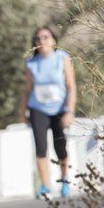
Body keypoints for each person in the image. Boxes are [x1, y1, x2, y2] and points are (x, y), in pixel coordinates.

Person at [20, 26, 76, 198]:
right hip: (38, 108)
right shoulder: (31, 62)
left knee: (60, 146)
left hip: (59, 108)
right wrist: (22, 112)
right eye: (38, 38)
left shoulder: (63, 58)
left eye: (45, 37)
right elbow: (27, 89)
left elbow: (70, 85)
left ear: (53, 40)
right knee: (40, 147)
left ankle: (65, 179)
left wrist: (70, 111)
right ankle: (45, 185)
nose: (42, 41)